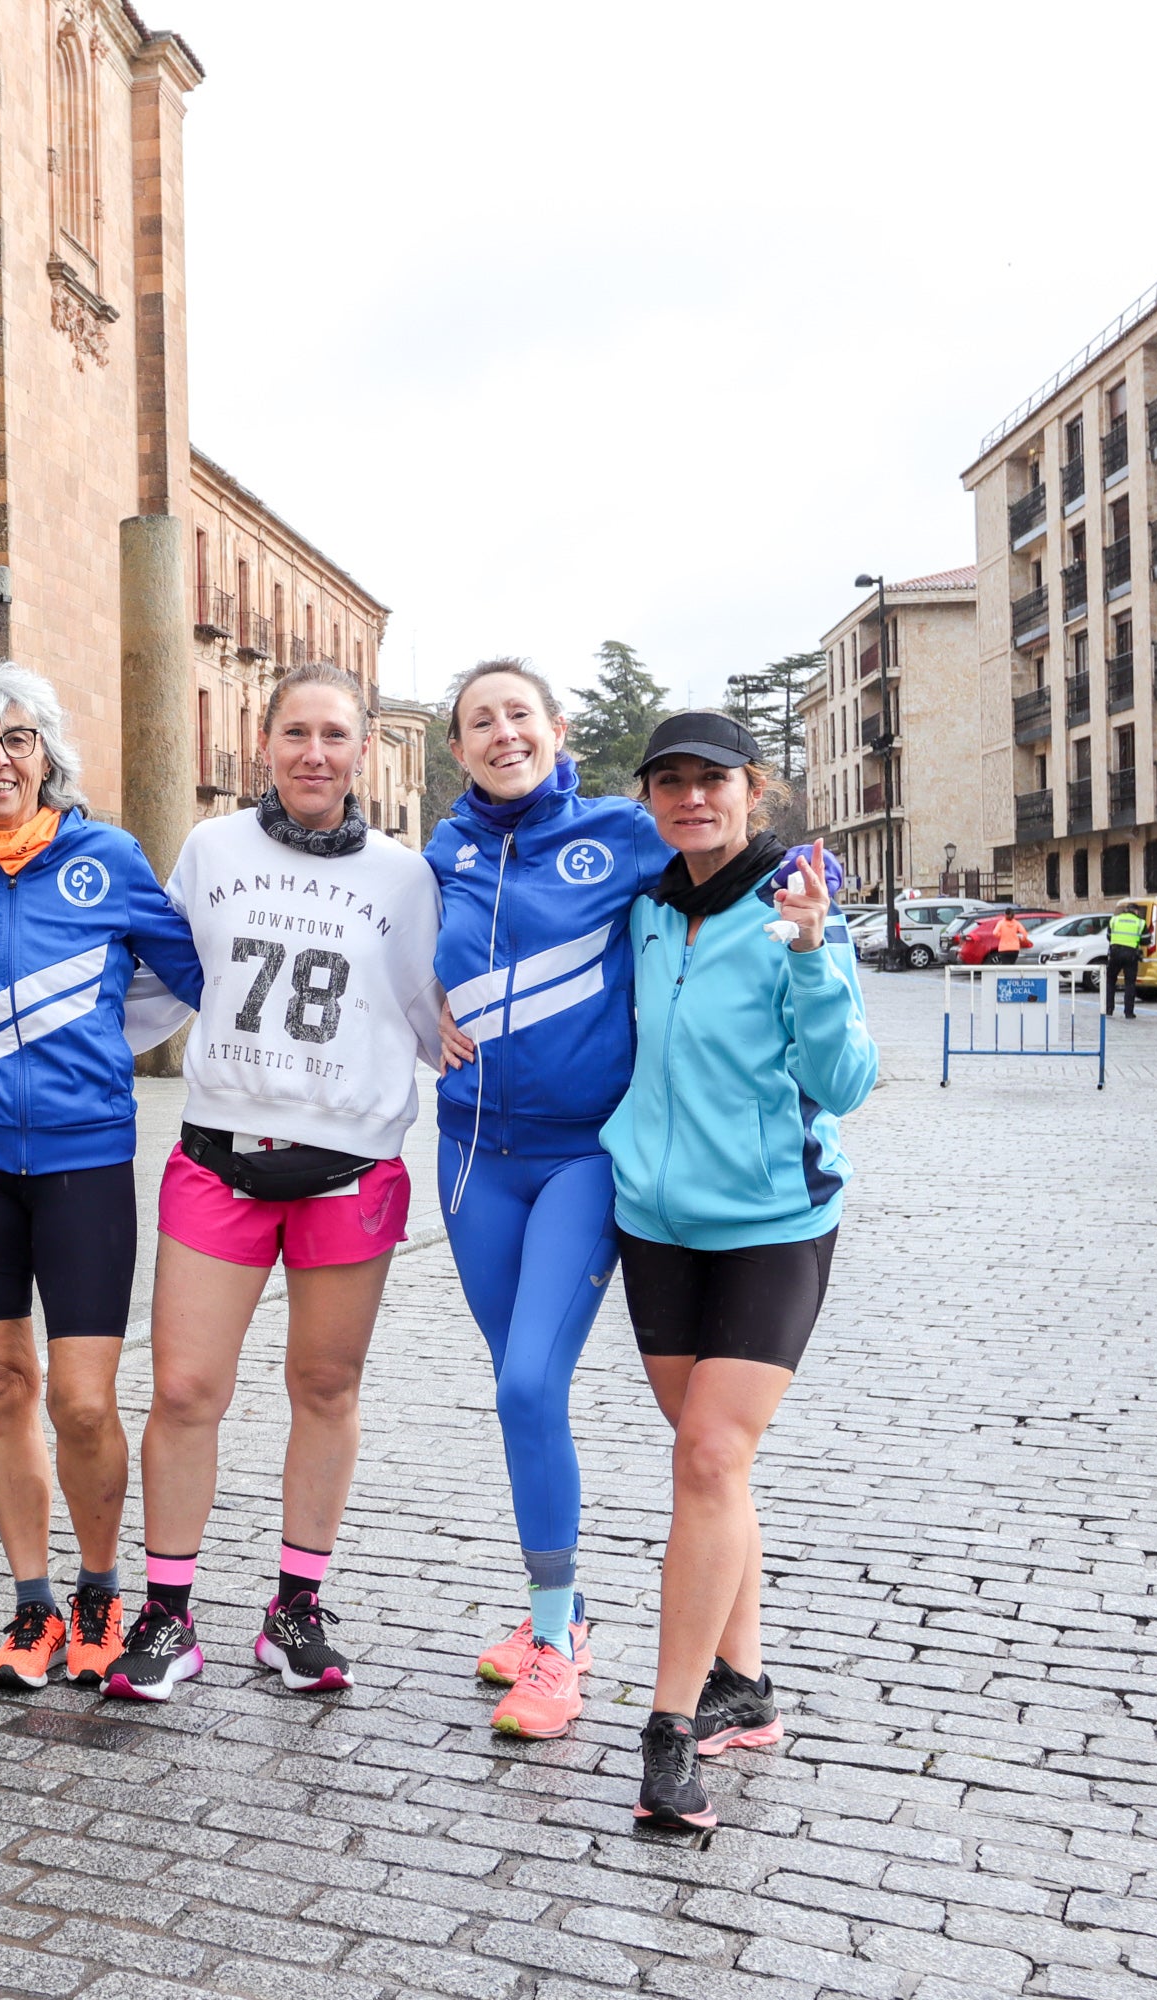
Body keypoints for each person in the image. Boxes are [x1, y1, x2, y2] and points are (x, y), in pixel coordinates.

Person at [108, 665, 447, 1704]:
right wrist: (68, 1055)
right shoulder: (211, 850)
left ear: (362, 751)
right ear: (263, 744)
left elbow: (434, 1008)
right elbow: (166, 980)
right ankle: (167, 1614)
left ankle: (295, 1606)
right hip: (222, 1153)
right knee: (183, 1386)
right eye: (296, 732)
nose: (314, 752)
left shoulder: (403, 875)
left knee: (325, 1386)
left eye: (334, 735)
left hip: (351, 1166)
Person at [603, 711, 877, 1832]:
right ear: (653, 801)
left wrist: (812, 951)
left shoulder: (795, 909)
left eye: (712, 781)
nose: (692, 799)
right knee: (711, 1465)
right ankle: (745, 1682)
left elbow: (849, 1079)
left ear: (753, 791)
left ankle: (671, 1729)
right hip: (655, 1223)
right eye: (669, 783)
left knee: (712, 1453)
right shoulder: (647, 910)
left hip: (772, 1220)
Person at [0, 660, 203, 1694]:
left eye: (17, 738)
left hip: (82, 1157)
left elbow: (195, 973)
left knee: (80, 1398)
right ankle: (31, 1604)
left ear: (48, 755)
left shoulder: (108, 855)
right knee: (1, 1384)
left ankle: (99, 1590)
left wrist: (107, 1045)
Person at [423, 660, 673, 1740]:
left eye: (519, 713)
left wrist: (811, 891)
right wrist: (418, 1010)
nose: (502, 731)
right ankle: (549, 1619)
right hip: (472, 1154)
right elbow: (385, 949)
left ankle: (562, 1641)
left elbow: (728, 861)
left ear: (557, 728)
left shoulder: (620, 830)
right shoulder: (442, 850)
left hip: (581, 1158)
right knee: (519, 1390)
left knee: (528, 1386)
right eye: (481, 720)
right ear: (459, 746)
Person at [1104, 902, 1148, 1016]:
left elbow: (1108, 936)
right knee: (1130, 983)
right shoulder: (1140, 922)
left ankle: (1108, 1009)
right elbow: (1146, 940)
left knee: (1110, 981)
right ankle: (1129, 1012)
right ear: (1136, 911)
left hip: (1115, 953)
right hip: (1131, 954)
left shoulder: (1114, 920)